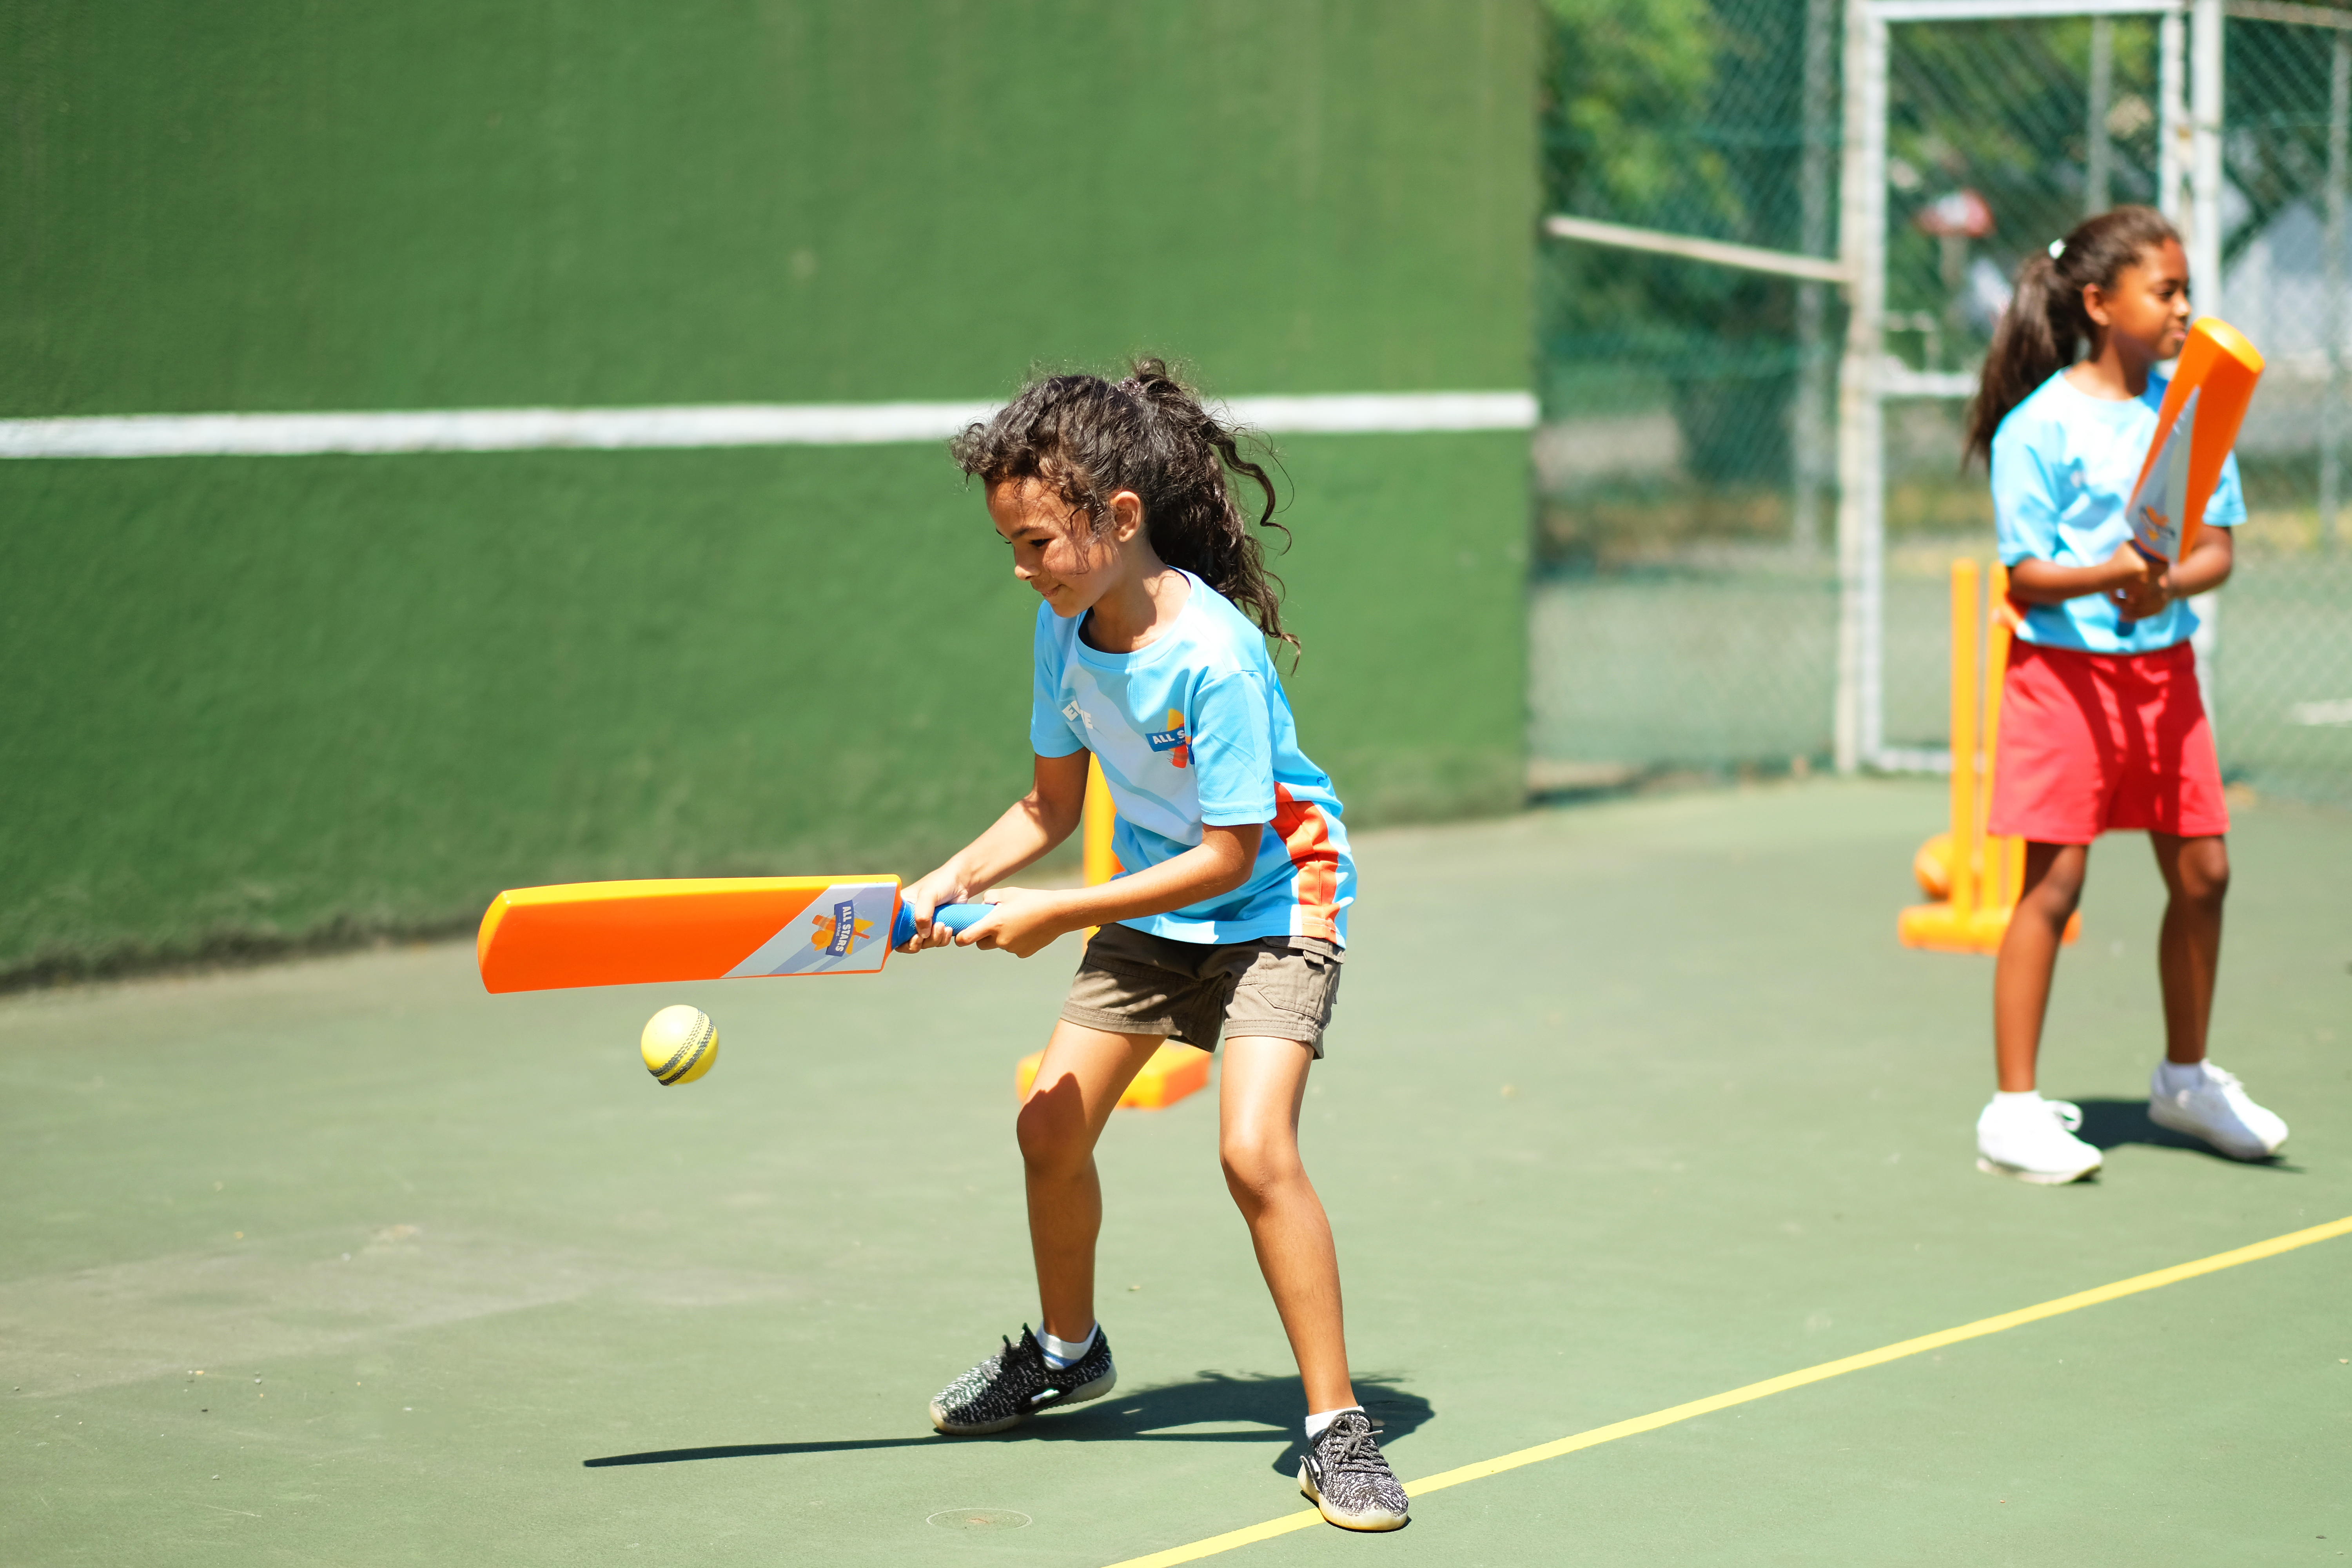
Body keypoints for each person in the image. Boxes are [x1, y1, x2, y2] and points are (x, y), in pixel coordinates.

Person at [895, 360, 1406, 1531]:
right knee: (1049, 1128)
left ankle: (1337, 1426)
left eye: (1037, 542)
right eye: (1011, 545)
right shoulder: (1063, 628)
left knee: (1253, 1150)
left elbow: (1231, 854)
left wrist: (1053, 915)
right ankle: (1069, 1350)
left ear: (1120, 518)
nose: (1023, 567)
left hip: (1275, 902)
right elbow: (1047, 808)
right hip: (1156, 903)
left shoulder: (1213, 656)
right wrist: (943, 885)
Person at [1964, 206, 2288, 1184]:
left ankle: (2184, 1081)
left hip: (2163, 675)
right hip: (2063, 678)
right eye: (2167, 291)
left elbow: (2214, 549)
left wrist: (2165, 583)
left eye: (2188, 291)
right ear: (2101, 304)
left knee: (2205, 875)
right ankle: (2012, 1111)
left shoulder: (2191, 414)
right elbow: (2025, 574)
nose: (2185, 308)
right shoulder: (2037, 427)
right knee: (2053, 884)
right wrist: (2111, 573)